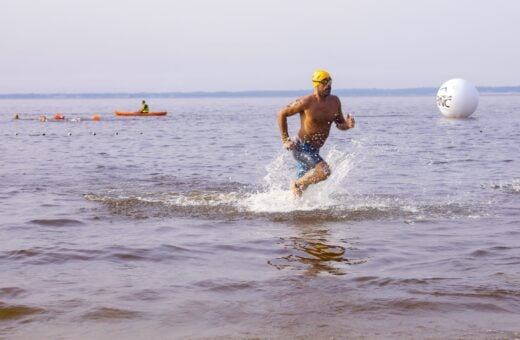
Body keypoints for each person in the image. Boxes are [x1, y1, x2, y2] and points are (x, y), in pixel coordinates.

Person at [277, 69, 355, 198]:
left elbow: (340, 124)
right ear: (316, 84)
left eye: (330, 81)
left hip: (315, 150)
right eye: (324, 82)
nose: (328, 85)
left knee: (300, 194)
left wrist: (348, 125)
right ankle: (296, 185)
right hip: (301, 147)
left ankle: (293, 208)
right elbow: (282, 114)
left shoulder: (334, 102)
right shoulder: (306, 102)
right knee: (324, 171)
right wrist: (286, 139)